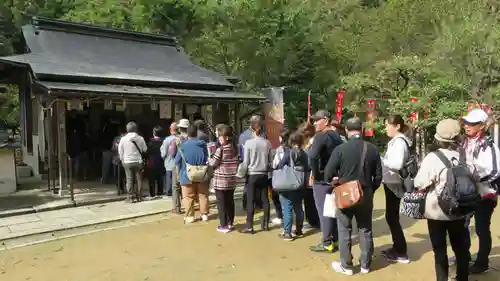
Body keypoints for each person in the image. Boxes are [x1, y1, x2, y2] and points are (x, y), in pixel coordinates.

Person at [413, 119, 471, 281]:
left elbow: (420, 183)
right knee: (460, 247)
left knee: (440, 250)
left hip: (437, 211)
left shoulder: (433, 158)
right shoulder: (463, 155)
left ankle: (442, 278)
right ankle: (463, 277)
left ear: (438, 137)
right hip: (460, 208)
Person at [324, 117, 382, 275]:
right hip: (366, 192)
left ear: (347, 131)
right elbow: (378, 177)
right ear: (362, 129)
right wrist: (370, 189)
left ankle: (347, 266)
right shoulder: (372, 149)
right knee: (366, 229)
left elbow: (328, 174)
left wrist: (336, 180)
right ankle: (365, 265)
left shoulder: (340, 149)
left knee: (344, 229)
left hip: (345, 192)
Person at [457, 108, 500, 274]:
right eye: (466, 122)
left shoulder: (489, 146)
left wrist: (474, 178)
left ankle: (482, 262)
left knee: (482, 228)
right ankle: (464, 256)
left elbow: (495, 171)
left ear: (482, 126)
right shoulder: (463, 142)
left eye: (472, 123)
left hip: (485, 194)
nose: (467, 126)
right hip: (466, 193)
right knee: (462, 225)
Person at [308, 109, 344, 253]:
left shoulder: (320, 137)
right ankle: (334, 240)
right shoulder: (337, 136)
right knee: (332, 209)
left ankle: (327, 242)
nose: (314, 123)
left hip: (322, 180)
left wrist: (315, 174)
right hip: (335, 178)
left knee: (324, 211)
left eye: (317, 120)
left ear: (326, 120)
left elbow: (312, 156)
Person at [381, 114, 412, 263]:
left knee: (392, 217)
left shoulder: (400, 142)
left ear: (397, 126)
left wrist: (383, 160)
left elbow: (398, 164)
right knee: (391, 216)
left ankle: (401, 251)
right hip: (391, 182)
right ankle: (398, 247)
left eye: (388, 125)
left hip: (394, 182)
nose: (386, 128)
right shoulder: (396, 141)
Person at [238, 121, 273, 234]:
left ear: (253, 130)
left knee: (250, 200)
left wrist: (241, 173)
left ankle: (250, 227)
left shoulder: (248, 143)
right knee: (265, 199)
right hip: (264, 174)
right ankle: (266, 225)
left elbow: (246, 161)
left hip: (252, 174)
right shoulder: (267, 143)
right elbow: (270, 161)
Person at [273, 132, 308, 241]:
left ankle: (287, 233)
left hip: (288, 184)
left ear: (291, 141)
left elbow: (280, 165)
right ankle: (299, 230)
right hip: (300, 183)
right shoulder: (304, 154)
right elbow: (307, 168)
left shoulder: (289, 152)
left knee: (287, 208)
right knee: (298, 207)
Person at [174, 124, 210, 223]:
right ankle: (204, 215)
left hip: (186, 175)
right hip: (202, 174)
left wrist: (177, 175)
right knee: (203, 195)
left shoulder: (182, 146)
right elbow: (208, 158)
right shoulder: (203, 145)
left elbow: (176, 162)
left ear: (187, 133)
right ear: (196, 133)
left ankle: (190, 216)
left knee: (188, 197)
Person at [209, 124, 239, 233]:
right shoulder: (235, 148)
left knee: (221, 204)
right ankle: (230, 223)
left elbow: (213, 163)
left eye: (219, 136)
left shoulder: (220, 150)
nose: (218, 138)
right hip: (231, 180)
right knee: (230, 202)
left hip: (221, 181)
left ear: (225, 137)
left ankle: (223, 225)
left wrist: (209, 158)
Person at [239, 115, 266, 211]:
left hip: (248, 163)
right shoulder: (261, 135)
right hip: (258, 163)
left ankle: (247, 204)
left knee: (248, 185)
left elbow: (241, 152)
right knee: (254, 186)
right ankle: (255, 204)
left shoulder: (242, 135)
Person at [297, 122, 320, 229]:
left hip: (312, 174)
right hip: (308, 174)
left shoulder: (314, 143)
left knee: (311, 199)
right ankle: (311, 219)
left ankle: (314, 220)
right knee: (308, 198)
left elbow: (311, 159)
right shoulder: (308, 143)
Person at [118, 121, 147, 203]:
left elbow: (120, 150)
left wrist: (122, 159)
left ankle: (130, 197)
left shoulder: (123, 139)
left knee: (129, 179)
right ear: (136, 129)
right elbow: (145, 149)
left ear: (127, 129)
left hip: (127, 161)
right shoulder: (140, 138)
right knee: (139, 179)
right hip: (138, 161)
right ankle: (139, 196)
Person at [169, 119, 190, 214]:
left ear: (180, 128)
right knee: (188, 185)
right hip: (189, 165)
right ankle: (189, 207)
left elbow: (172, 153)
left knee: (176, 186)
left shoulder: (176, 140)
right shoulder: (192, 138)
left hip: (178, 165)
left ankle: (177, 208)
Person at [161, 122, 178, 197]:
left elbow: (163, 153)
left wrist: (163, 157)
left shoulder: (167, 140)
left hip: (169, 162)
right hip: (179, 163)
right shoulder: (181, 138)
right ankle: (178, 192)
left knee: (169, 177)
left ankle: (169, 192)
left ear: (170, 130)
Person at [147, 126, 165, 198]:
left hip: (152, 162)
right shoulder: (163, 141)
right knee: (160, 178)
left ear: (153, 133)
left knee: (151, 178)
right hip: (161, 161)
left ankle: (152, 193)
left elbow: (147, 152)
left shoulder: (150, 141)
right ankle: (160, 192)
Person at [112, 128, 126, 194]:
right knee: (123, 175)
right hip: (124, 160)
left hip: (117, 159)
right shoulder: (127, 139)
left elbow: (113, 148)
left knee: (118, 176)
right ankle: (122, 188)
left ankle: (120, 189)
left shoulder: (116, 139)